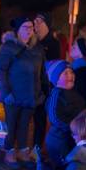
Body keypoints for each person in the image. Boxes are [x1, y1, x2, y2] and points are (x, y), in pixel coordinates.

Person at [0, 17, 45, 167]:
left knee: (25, 124)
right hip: (13, 95)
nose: (29, 30)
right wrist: (5, 92)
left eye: (31, 27)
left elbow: (41, 72)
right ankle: (9, 150)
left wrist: (41, 91)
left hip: (31, 94)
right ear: (17, 30)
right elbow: (0, 71)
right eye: (25, 27)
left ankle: (23, 150)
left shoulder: (37, 48)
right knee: (11, 123)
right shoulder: (9, 47)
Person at [44, 60, 86, 168]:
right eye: (65, 73)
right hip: (59, 140)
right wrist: (74, 128)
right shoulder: (56, 94)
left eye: (71, 72)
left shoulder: (74, 92)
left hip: (72, 139)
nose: (70, 76)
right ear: (56, 78)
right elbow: (54, 118)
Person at [32, 13, 58, 151]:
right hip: (32, 86)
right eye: (35, 21)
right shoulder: (33, 41)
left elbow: (54, 66)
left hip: (44, 87)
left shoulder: (53, 44)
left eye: (39, 22)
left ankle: (37, 148)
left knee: (40, 119)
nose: (36, 24)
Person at [71, 37, 86, 106]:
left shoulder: (83, 73)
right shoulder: (78, 68)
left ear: (82, 52)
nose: (72, 47)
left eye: (75, 47)